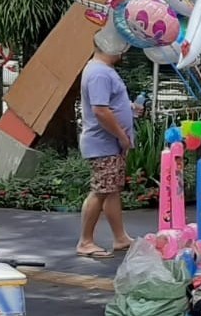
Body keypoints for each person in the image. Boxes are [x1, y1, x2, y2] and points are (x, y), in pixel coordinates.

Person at [75, 27, 141, 259]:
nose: (123, 51)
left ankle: (120, 237)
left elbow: (108, 104)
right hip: (104, 143)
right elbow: (101, 111)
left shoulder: (103, 70)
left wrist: (130, 108)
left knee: (111, 190)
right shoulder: (99, 73)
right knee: (101, 191)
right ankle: (85, 241)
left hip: (107, 143)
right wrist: (122, 136)